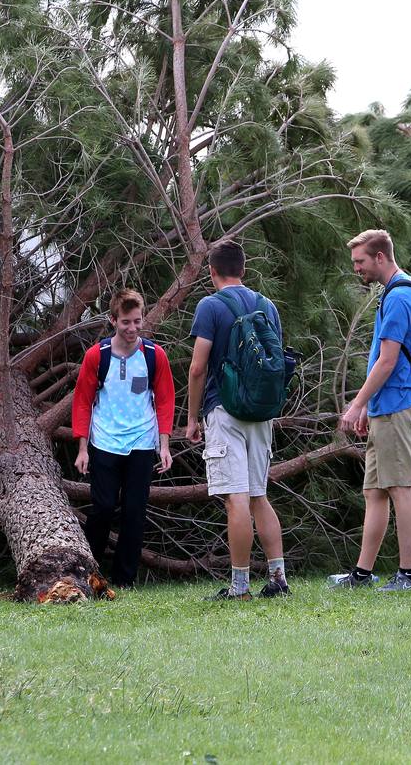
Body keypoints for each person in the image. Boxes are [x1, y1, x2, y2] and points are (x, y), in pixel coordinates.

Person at [185, 240, 289, 601]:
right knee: (260, 495)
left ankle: (240, 587)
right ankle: (278, 577)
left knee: (236, 499)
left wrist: (192, 417)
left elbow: (198, 367)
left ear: (212, 271)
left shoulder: (210, 306)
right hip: (261, 412)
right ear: (243, 269)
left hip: (224, 409)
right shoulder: (267, 306)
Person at [334, 229, 411, 591]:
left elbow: (387, 361)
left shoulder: (400, 297)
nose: (356, 268)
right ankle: (362, 573)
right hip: (384, 406)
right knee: (375, 490)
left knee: (402, 487)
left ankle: (408, 574)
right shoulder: (395, 291)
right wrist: (368, 406)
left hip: (399, 404)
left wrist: (357, 403)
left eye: (360, 262)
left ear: (379, 257)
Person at [71, 289, 175, 588]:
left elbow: (166, 400)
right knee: (102, 508)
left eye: (137, 321)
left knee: (134, 512)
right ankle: (88, 574)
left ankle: (124, 580)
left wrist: (164, 445)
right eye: (126, 322)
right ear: (113, 320)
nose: (132, 329)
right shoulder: (98, 355)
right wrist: (82, 448)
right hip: (104, 442)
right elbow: (82, 401)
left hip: (142, 443)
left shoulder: (154, 355)